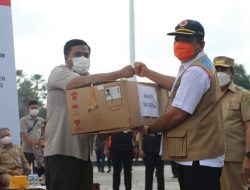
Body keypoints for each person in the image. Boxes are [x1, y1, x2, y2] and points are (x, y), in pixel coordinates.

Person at [134, 19, 224, 190]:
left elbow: (177, 114)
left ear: (201, 44)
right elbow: (178, 85)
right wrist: (147, 73)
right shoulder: (198, 66)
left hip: (198, 159)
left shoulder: (195, 72)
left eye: (187, 40)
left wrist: (150, 129)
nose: (180, 44)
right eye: (177, 39)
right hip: (199, 156)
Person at [44, 39, 134, 190]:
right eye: (77, 54)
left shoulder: (91, 82)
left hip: (84, 156)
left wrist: (103, 132)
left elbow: (93, 117)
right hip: (61, 153)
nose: (83, 58)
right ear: (67, 58)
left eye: (86, 55)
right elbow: (81, 82)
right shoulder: (59, 72)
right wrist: (120, 74)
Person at [213, 56, 250, 190]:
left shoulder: (244, 95)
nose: (219, 73)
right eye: (217, 69)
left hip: (234, 158)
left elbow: (249, 127)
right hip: (211, 157)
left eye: (224, 69)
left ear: (232, 73)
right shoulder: (208, 96)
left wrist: (248, 157)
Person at [20, 100, 45, 176]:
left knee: (39, 170)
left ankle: (40, 186)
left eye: (36, 108)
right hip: (27, 150)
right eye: (32, 108)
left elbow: (43, 133)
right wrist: (33, 144)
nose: (34, 109)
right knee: (26, 170)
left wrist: (40, 143)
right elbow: (24, 134)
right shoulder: (23, 120)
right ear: (28, 109)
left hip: (38, 150)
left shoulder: (41, 120)